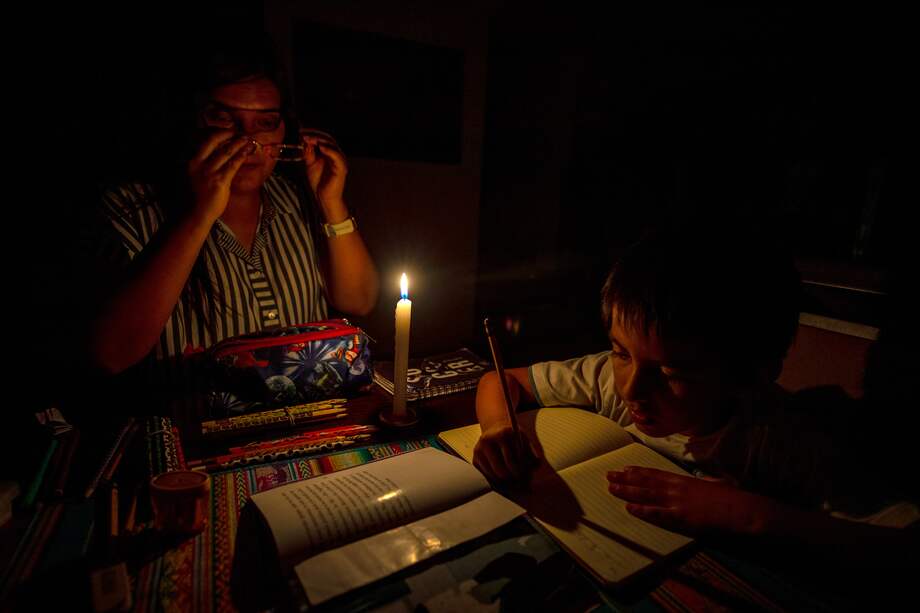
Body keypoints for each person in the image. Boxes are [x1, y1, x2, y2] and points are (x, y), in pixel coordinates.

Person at [473, 222, 917, 578]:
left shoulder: (787, 437)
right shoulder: (609, 377)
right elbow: (499, 380)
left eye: (672, 373)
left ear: (752, 374)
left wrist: (749, 515)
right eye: (621, 351)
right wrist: (498, 428)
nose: (630, 389)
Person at [81, 34, 379, 406]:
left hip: (303, 427)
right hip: (188, 440)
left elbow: (360, 300)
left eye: (265, 122)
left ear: (284, 132)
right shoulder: (132, 208)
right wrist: (201, 212)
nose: (247, 141)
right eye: (224, 118)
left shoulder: (298, 200)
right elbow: (110, 355)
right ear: (191, 120)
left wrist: (332, 204)